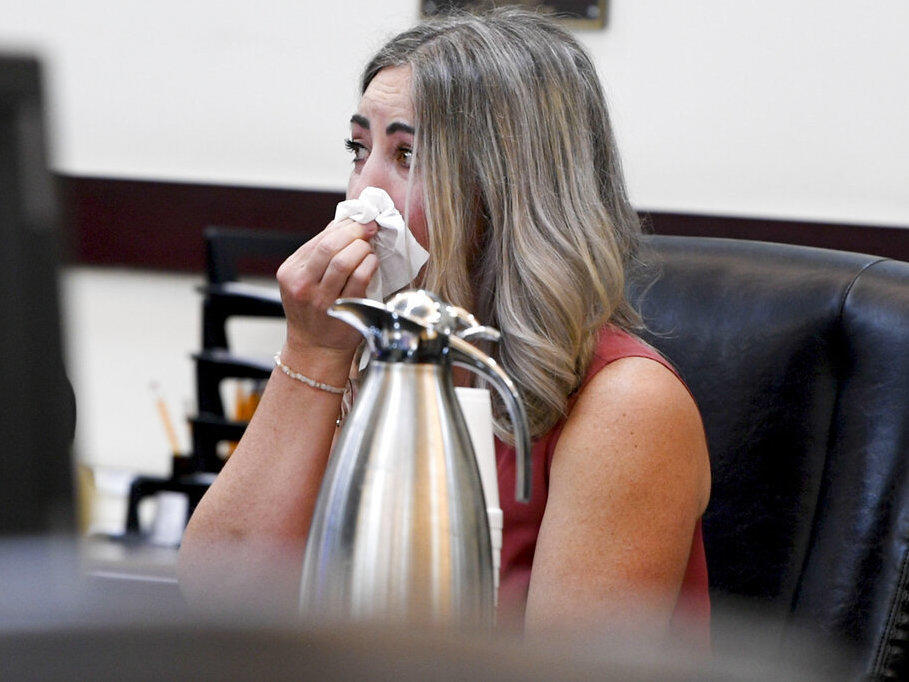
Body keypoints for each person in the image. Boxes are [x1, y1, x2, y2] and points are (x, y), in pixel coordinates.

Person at [178, 7, 711, 644]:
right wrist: (312, 354)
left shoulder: (627, 406)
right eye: (359, 149)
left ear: (508, 188)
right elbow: (219, 600)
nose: (362, 196)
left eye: (406, 155)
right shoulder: (372, 356)